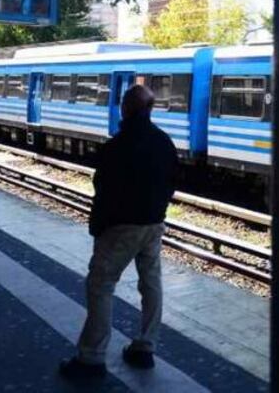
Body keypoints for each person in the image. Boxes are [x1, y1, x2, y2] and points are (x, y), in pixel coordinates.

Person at [60, 84, 178, 379]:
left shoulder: (115, 147)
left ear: (125, 108)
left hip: (120, 228)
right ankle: (145, 348)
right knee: (151, 283)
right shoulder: (165, 143)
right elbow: (173, 182)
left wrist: (97, 227)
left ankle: (92, 357)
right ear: (150, 109)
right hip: (153, 225)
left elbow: (104, 193)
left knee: (100, 284)